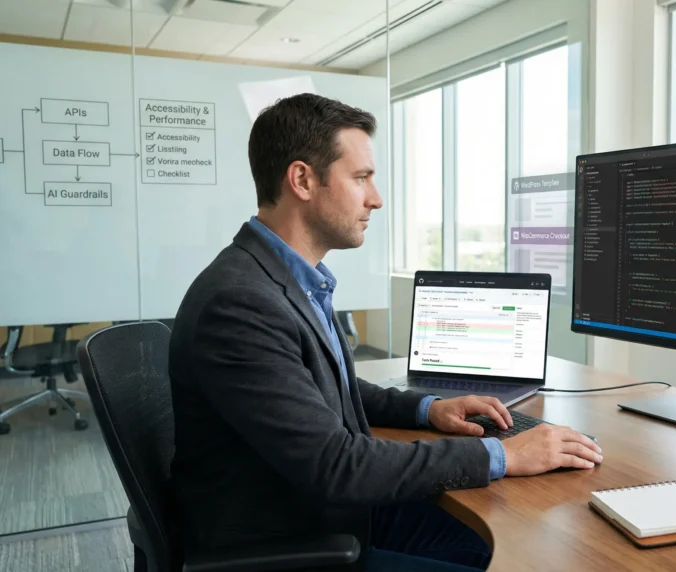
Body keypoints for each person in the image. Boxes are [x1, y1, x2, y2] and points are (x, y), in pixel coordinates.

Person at [167, 93, 603, 571]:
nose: (375, 198)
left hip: (335, 515)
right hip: (297, 540)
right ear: (302, 180)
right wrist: (500, 454)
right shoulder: (241, 302)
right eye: (360, 178)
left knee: (508, 543)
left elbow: (331, 390)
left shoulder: (282, 277)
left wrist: (428, 408)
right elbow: (337, 467)